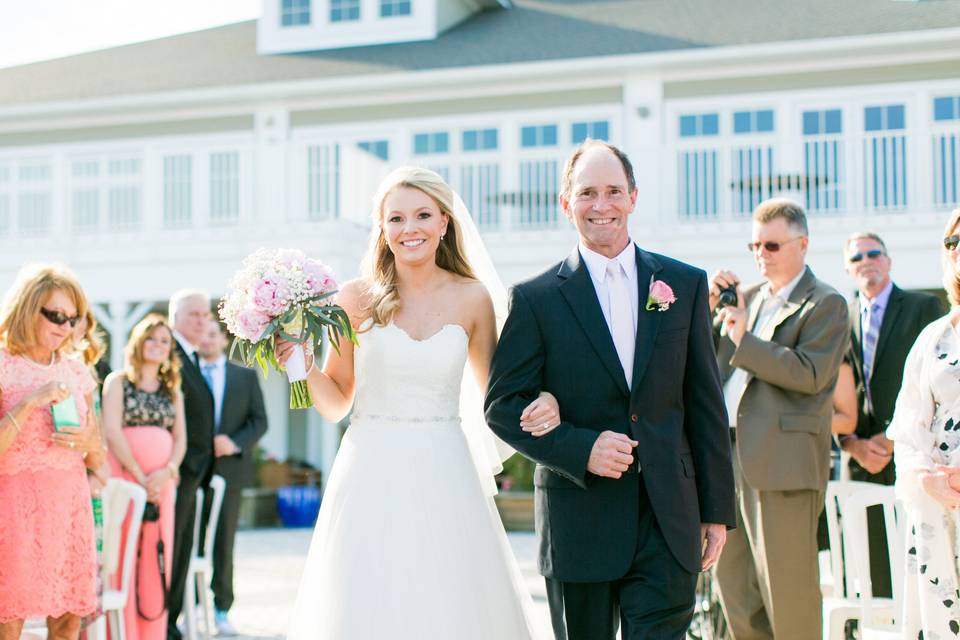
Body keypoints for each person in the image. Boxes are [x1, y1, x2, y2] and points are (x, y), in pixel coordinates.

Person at [280, 166, 562, 639]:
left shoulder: (473, 298)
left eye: (422, 215)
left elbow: (499, 395)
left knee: (448, 597)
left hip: (446, 466)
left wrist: (547, 398)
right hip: (369, 466)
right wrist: (302, 366)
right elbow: (334, 403)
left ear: (444, 223)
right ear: (382, 228)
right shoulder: (354, 299)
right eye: (396, 219)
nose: (409, 229)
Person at [485, 140, 736, 640]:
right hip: (579, 521)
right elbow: (501, 406)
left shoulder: (684, 285)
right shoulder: (535, 299)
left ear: (634, 197)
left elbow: (705, 406)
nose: (602, 205)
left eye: (614, 191)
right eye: (587, 193)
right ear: (566, 203)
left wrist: (716, 511)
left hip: (668, 519)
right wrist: (582, 448)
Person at [710, 198, 849, 640]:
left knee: (788, 596)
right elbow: (707, 371)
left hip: (783, 464)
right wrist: (707, 307)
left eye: (771, 245)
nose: (760, 256)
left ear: (802, 244)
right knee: (735, 591)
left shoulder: (826, 303)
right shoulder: (746, 298)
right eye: (754, 246)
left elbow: (810, 374)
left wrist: (744, 339)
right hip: (726, 458)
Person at [0, 264, 106, 640]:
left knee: (67, 620)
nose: (65, 326)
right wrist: (29, 403)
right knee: (7, 618)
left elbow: (99, 459)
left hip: (68, 507)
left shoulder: (78, 371)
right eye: (56, 315)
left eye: (72, 318)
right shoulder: (2, 365)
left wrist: (91, 443)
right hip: (13, 510)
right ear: (28, 308)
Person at [841, 231, 944, 598]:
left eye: (874, 253)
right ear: (848, 268)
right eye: (857, 257)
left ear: (888, 261)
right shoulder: (843, 316)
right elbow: (837, 390)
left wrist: (893, 435)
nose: (866, 261)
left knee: (917, 561)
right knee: (871, 572)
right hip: (861, 459)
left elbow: (935, 381)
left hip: (912, 452)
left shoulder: (923, 308)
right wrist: (850, 443)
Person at [887, 207, 960, 637]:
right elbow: (907, 424)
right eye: (951, 242)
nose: (956, 249)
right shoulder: (936, 335)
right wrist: (924, 476)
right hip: (938, 510)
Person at [102, 314, 186, 640]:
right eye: (152, 338)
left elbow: (180, 439)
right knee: (122, 554)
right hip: (125, 479)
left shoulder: (173, 391)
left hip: (160, 488)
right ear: (138, 342)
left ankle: (151, 632)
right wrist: (138, 475)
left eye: (165, 341)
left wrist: (166, 472)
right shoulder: (118, 382)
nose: (158, 345)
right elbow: (111, 429)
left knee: (154, 554)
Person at [196, 320, 267, 636]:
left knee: (223, 543)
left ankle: (222, 609)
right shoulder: (185, 373)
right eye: (202, 335)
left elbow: (260, 421)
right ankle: (190, 606)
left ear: (223, 339)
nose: (206, 340)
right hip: (193, 472)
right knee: (192, 542)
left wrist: (234, 442)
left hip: (230, 470)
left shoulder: (245, 376)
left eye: (212, 335)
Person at [165, 290, 214, 640]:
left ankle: (171, 623)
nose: (202, 320)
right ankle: (163, 625)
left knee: (182, 551)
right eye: (194, 314)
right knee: (171, 553)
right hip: (175, 474)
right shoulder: (170, 356)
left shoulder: (193, 356)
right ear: (175, 317)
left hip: (193, 477)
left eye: (206, 314)